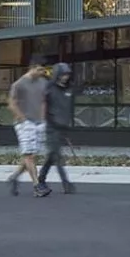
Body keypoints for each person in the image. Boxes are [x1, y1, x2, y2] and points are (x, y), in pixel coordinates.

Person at [7, 61, 52, 196]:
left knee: (32, 155)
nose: (42, 73)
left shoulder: (43, 83)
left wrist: (43, 118)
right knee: (29, 155)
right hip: (24, 124)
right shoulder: (19, 84)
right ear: (31, 68)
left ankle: (14, 177)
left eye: (43, 70)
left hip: (39, 123)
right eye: (39, 70)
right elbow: (11, 103)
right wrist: (23, 119)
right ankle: (37, 186)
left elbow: (44, 101)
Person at [38, 61, 78, 196]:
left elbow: (68, 108)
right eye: (63, 74)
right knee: (58, 156)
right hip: (51, 127)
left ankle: (41, 178)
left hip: (62, 127)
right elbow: (43, 107)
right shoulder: (49, 89)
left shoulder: (69, 89)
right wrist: (45, 122)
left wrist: (67, 126)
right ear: (57, 75)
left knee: (52, 156)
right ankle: (66, 183)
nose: (65, 77)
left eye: (67, 74)